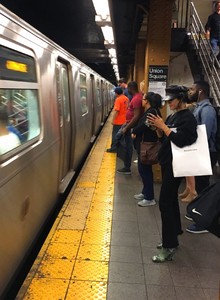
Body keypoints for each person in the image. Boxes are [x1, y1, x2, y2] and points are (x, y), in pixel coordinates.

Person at [147, 85, 197, 262]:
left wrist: (164, 127)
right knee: (170, 201)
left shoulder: (188, 118)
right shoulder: (174, 115)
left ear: (181, 99)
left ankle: (169, 246)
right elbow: (167, 139)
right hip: (169, 163)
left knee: (165, 204)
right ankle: (174, 234)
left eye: (172, 100)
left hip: (178, 166)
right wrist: (159, 129)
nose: (169, 103)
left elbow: (184, 141)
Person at [186, 80, 217, 233]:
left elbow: (203, 134)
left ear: (200, 92)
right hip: (200, 152)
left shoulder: (207, 111)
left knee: (203, 187)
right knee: (199, 185)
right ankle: (198, 213)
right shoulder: (198, 108)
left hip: (206, 152)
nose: (189, 92)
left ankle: (203, 222)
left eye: (192, 89)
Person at [132, 92, 162, 207]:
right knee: (144, 169)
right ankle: (145, 192)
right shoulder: (151, 111)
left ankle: (149, 198)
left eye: (143, 99)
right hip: (144, 145)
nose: (142, 100)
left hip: (147, 146)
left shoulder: (152, 112)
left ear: (147, 101)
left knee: (145, 171)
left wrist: (134, 131)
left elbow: (144, 126)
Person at [117, 81, 143, 175]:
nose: (127, 90)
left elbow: (136, 116)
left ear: (131, 88)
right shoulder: (137, 97)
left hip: (131, 127)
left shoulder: (136, 99)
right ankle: (126, 166)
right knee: (126, 144)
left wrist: (127, 127)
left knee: (127, 147)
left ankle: (127, 167)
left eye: (128, 88)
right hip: (129, 125)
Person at [106, 87, 129, 153]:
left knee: (115, 135)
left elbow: (116, 111)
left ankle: (114, 148)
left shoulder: (118, 99)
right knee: (122, 135)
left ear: (116, 93)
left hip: (118, 121)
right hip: (125, 120)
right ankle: (122, 148)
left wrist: (113, 120)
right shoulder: (126, 98)